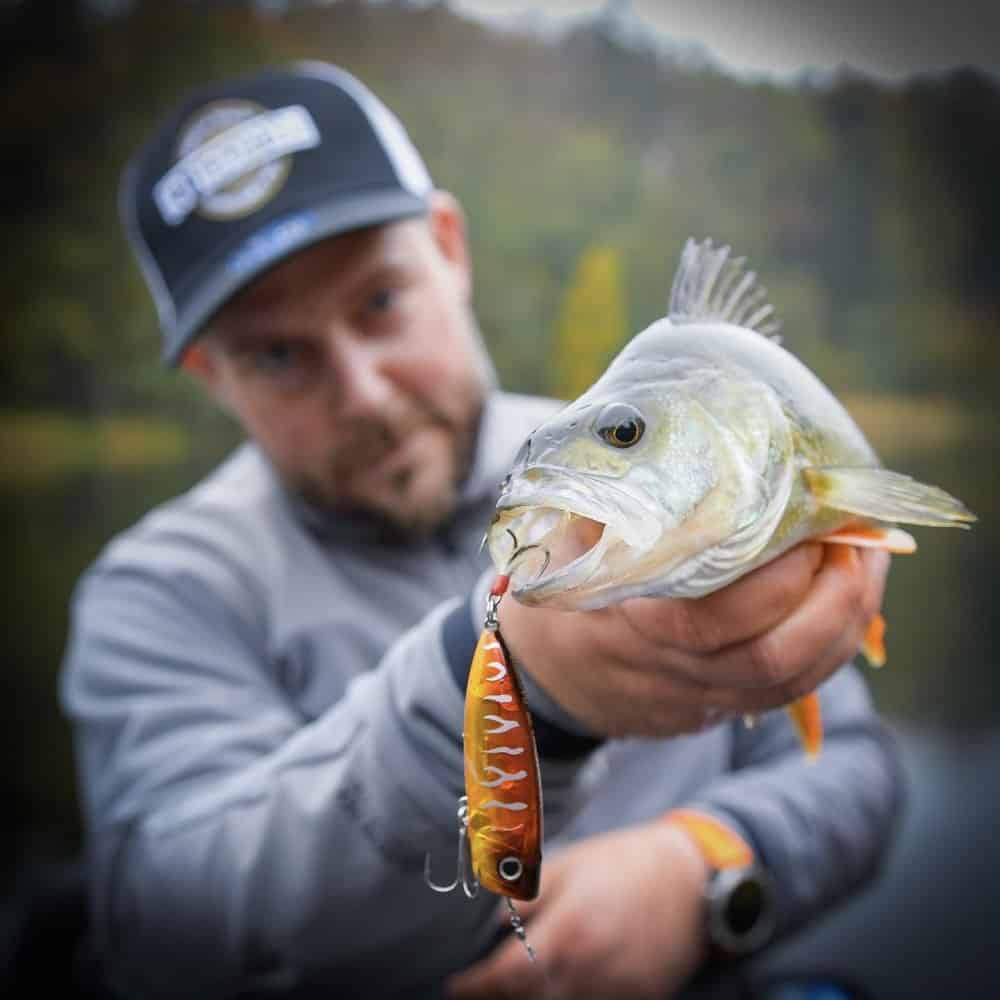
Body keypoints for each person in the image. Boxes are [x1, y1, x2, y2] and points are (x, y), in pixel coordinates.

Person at [60, 60, 903, 1000]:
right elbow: (169, 916)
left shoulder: (670, 455)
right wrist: (519, 686)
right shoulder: (156, 593)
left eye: (379, 301)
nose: (365, 393)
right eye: (279, 354)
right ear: (212, 376)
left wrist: (704, 872)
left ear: (450, 248)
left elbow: (854, 775)